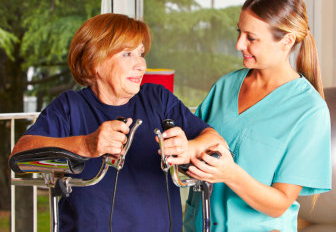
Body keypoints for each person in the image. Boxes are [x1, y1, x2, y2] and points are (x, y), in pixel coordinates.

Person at [9, 13, 225, 232]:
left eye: (141, 53)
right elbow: (19, 155)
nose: (141, 65)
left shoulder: (158, 99)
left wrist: (189, 148)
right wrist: (86, 145)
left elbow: (216, 143)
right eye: (127, 54)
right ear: (95, 61)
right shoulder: (70, 106)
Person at [183, 0, 331, 232]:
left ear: (286, 41)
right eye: (239, 32)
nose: (239, 44)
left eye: (251, 38)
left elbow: (280, 204)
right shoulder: (226, 85)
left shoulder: (309, 110)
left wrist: (230, 174)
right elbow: (192, 146)